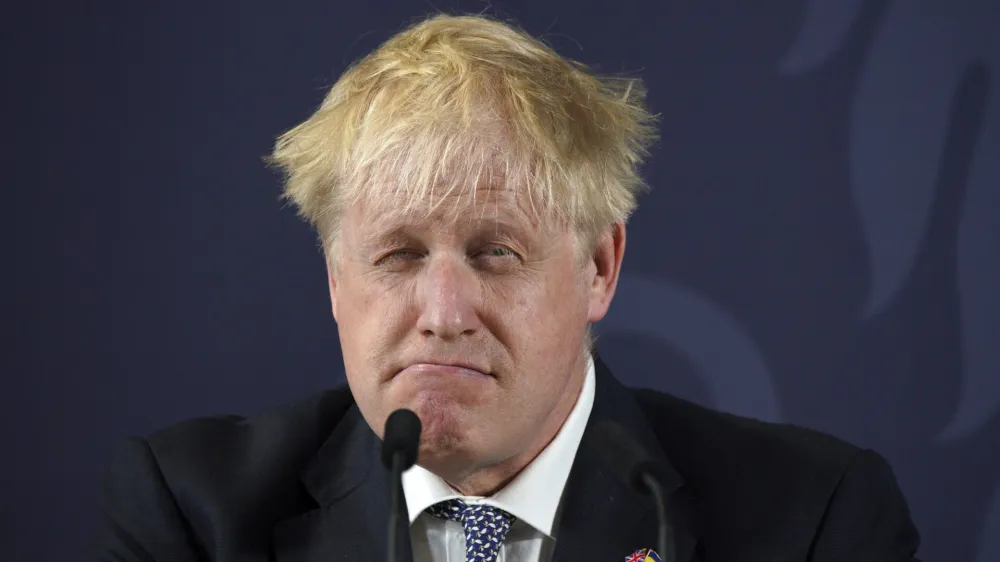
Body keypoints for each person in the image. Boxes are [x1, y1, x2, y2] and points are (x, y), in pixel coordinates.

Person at [89, 13, 922, 562]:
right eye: (398, 255)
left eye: (495, 252)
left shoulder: (813, 521)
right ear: (336, 280)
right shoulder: (192, 515)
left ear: (599, 268)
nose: (443, 315)